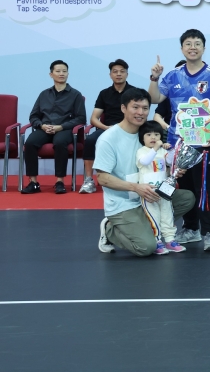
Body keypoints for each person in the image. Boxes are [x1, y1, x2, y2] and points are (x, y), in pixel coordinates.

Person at [95, 88, 195, 257]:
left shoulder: (150, 133)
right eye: (135, 107)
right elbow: (102, 178)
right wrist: (136, 188)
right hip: (124, 204)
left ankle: (151, 227)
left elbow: (159, 164)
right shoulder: (108, 139)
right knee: (146, 247)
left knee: (187, 198)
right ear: (123, 108)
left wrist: (172, 171)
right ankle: (110, 229)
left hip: (151, 197)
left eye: (145, 108)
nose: (140, 112)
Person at [149, 29, 210, 251]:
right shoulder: (172, 76)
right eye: (188, 44)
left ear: (203, 48)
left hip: (204, 143)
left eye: (197, 43)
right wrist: (154, 78)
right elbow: (155, 98)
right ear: (182, 48)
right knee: (185, 189)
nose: (193, 47)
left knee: (205, 190)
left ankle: (209, 233)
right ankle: (191, 229)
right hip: (178, 144)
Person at [22, 60, 86, 194]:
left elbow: (81, 118)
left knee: (60, 142)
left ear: (68, 74)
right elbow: (34, 116)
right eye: (58, 71)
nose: (61, 74)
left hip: (65, 129)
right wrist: (42, 125)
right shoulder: (44, 94)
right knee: (30, 143)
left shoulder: (75, 95)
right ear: (51, 74)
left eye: (64, 71)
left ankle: (59, 182)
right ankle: (33, 182)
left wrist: (60, 127)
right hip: (45, 128)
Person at [80, 59, 134, 194]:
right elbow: (94, 118)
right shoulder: (104, 93)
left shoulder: (134, 92)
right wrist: (106, 128)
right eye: (115, 72)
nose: (118, 74)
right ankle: (89, 180)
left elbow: (138, 114)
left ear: (127, 74)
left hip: (129, 129)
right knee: (90, 140)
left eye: (122, 71)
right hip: (108, 128)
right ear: (110, 75)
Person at [136, 121, 185, 255]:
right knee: (153, 216)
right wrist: (156, 148)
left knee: (167, 215)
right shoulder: (141, 151)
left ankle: (170, 239)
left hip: (164, 190)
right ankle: (156, 241)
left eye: (156, 134)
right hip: (149, 192)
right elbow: (145, 161)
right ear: (142, 138)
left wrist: (170, 150)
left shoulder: (162, 151)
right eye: (149, 134)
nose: (153, 137)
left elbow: (171, 162)